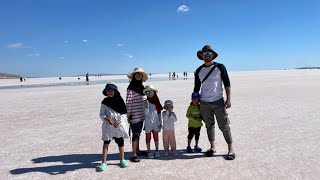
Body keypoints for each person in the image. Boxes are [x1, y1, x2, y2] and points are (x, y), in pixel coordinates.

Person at [193, 45, 235, 160]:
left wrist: (229, 98)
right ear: (201, 56)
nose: (207, 55)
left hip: (218, 102)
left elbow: (227, 83)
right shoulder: (198, 70)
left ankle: (230, 149)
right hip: (204, 103)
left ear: (213, 55)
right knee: (209, 126)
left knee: (224, 126)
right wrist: (194, 103)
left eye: (209, 53)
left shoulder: (220, 67)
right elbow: (196, 88)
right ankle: (212, 147)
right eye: (205, 53)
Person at [97, 82, 129, 171]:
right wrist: (107, 119)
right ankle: (103, 162)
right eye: (108, 90)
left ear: (115, 91)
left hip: (118, 126)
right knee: (106, 143)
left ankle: (122, 159)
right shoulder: (104, 102)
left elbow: (123, 113)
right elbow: (101, 114)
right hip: (108, 126)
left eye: (112, 90)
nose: (110, 92)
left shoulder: (120, 100)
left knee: (120, 142)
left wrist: (119, 120)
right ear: (106, 91)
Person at [126, 67, 149, 162]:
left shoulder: (142, 88)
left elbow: (143, 99)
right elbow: (128, 102)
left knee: (138, 133)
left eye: (140, 74)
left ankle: (138, 150)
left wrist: (146, 101)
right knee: (135, 134)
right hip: (134, 115)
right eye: (137, 74)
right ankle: (134, 154)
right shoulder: (130, 88)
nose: (138, 75)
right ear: (134, 76)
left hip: (141, 114)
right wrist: (129, 115)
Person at [143, 84, 163, 159]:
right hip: (148, 123)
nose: (149, 94)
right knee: (148, 137)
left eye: (150, 92)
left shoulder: (157, 102)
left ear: (154, 92)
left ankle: (157, 150)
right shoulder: (145, 102)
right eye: (147, 93)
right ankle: (149, 151)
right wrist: (146, 107)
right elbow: (145, 113)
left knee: (156, 136)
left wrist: (160, 122)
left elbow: (159, 113)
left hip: (155, 123)